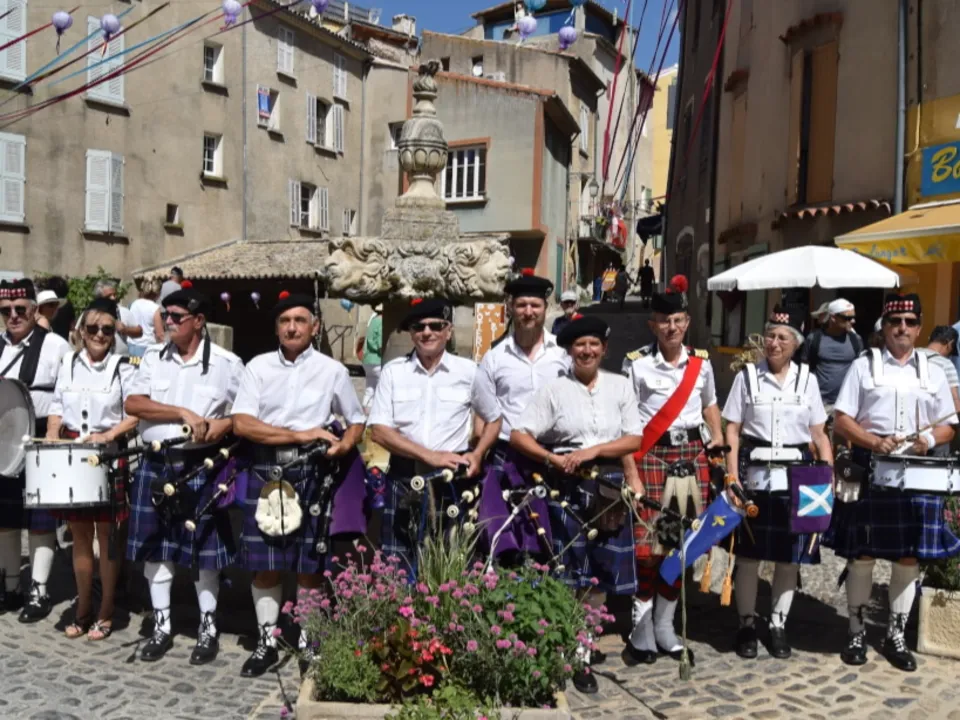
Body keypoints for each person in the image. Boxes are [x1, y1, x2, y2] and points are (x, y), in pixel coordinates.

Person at [232, 291, 366, 677]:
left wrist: (345, 444)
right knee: (266, 566)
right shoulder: (257, 367)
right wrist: (300, 433)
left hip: (313, 472)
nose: (292, 327)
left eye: (300, 320)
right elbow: (242, 424)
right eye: (285, 321)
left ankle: (309, 641)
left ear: (315, 326)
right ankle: (266, 643)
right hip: (266, 470)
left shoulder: (332, 370)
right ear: (277, 328)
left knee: (310, 566)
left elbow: (356, 419)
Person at [510, 315, 644, 694]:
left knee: (599, 575)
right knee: (571, 574)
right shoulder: (553, 390)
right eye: (580, 345)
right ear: (570, 351)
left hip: (608, 487)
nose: (586, 351)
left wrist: (595, 451)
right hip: (566, 486)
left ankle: (584, 650)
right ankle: (568, 650)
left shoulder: (620, 386)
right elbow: (519, 435)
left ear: (604, 349)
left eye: (593, 344)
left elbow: (634, 439)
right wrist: (551, 458)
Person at [827, 293, 959, 671]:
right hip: (871, 466)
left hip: (918, 471)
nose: (902, 328)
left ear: (919, 328)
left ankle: (895, 635)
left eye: (910, 322)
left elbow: (949, 425)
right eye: (895, 322)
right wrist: (873, 440)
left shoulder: (934, 371)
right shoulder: (863, 365)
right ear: (884, 327)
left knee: (909, 555)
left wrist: (928, 439)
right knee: (862, 554)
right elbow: (842, 419)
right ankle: (856, 631)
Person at [125, 287, 243, 665]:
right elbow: (134, 403)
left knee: (205, 551)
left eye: (177, 316)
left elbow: (244, 415)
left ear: (199, 321)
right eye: (166, 315)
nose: (169, 322)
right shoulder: (152, 358)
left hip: (201, 464)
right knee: (155, 547)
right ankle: (162, 627)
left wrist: (223, 426)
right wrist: (181, 412)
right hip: (157, 462)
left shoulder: (227, 364)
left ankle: (208, 627)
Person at [620, 274, 721, 666]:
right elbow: (626, 420)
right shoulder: (637, 365)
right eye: (665, 321)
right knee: (649, 550)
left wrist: (716, 439)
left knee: (679, 548)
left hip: (689, 460)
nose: (672, 327)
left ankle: (665, 625)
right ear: (653, 325)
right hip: (651, 457)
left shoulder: (701, 364)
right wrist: (631, 470)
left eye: (678, 320)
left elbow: (710, 405)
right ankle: (641, 626)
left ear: (687, 322)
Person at [722, 305, 833, 659]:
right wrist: (731, 476)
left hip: (796, 483)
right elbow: (732, 430)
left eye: (782, 337)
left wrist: (827, 477)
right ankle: (746, 624)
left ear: (795, 343)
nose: (774, 343)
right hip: (754, 481)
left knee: (789, 559)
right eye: (770, 335)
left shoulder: (808, 380)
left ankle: (778, 624)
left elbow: (819, 433)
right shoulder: (747, 377)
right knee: (748, 557)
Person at [45, 297, 139, 640]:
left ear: (114, 334)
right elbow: (57, 405)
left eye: (107, 330)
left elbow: (135, 413)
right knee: (80, 536)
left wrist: (109, 435)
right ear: (81, 331)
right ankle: (83, 607)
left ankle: (106, 609)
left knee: (107, 536)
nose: (100, 334)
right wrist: (52, 432)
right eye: (93, 328)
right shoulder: (68, 363)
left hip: (108, 455)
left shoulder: (124, 366)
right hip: (73, 455)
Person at [369, 298, 483, 570]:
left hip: (452, 478)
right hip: (404, 477)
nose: (427, 332)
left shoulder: (469, 371)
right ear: (411, 333)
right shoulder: (393, 372)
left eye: (435, 326)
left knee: (453, 566)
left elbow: (492, 417)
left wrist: (478, 452)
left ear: (448, 331)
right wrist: (430, 456)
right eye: (419, 327)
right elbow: (379, 431)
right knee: (398, 566)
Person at [472, 273, 569, 563]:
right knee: (507, 539)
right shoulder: (494, 357)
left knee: (557, 539)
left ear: (546, 308)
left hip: (555, 455)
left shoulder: (563, 354)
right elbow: (483, 412)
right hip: (508, 457)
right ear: (511, 308)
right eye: (522, 305)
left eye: (535, 305)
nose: (529, 312)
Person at [0, 279, 70, 620]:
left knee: (40, 519)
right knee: (5, 518)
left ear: (33, 309)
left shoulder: (56, 346)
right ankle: (11, 586)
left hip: (43, 434)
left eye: (20, 309)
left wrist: (56, 430)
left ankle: (39, 591)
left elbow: (67, 391)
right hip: (5, 437)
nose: (13, 316)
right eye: (6, 311)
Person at [801, 298, 862, 414]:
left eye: (853, 317)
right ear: (833, 318)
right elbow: (804, 370)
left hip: (846, 405)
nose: (853, 321)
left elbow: (860, 371)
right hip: (819, 404)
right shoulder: (814, 339)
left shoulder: (855, 340)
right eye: (847, 318)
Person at [128, 280, 161, 359]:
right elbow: (159, 334)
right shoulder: (155, 308)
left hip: (131, 344)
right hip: (146, 347)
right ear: (157, 294)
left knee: (133, 366)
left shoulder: (134, 303)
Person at [359, 304, 383, 411]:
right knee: (381, 388)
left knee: (370, 388)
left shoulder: (372, 320)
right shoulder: (381, 321)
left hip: (367, 359)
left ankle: (366, 412)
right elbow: (380, 343)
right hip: (377, 359)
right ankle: (377, 413)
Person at [43, 276, 76, 343]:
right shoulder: (68, 305)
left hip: (47, 341)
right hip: (63, 341)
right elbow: (72, 326)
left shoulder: (46, 304)